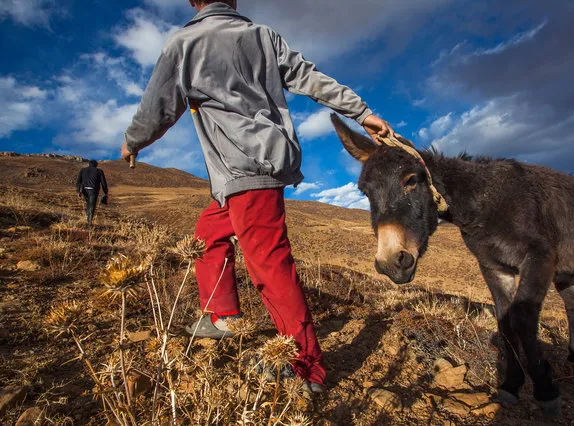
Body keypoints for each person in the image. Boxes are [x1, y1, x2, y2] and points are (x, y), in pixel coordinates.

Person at [120, 0, 392, 395]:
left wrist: (132, 141)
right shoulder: (262, 36)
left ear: (193, 2)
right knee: (207, 233)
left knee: (269, 265)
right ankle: (224, 315)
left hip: (244, 168)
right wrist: (360, 111)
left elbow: (157, 107)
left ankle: (306, 367)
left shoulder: (183, 43)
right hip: (255, 166)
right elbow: (310, 78)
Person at [76, 160, 108, 226]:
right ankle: (89, 222)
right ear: (96, 165)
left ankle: (87, 219)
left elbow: (78, 182)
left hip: (84, 190)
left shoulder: (82, 170)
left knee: (88, 204)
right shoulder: (99, 171)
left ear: (89, 164)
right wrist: (106, 192)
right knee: (92, 206)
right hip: (93, 190)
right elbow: (103, 183)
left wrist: (78, 191)